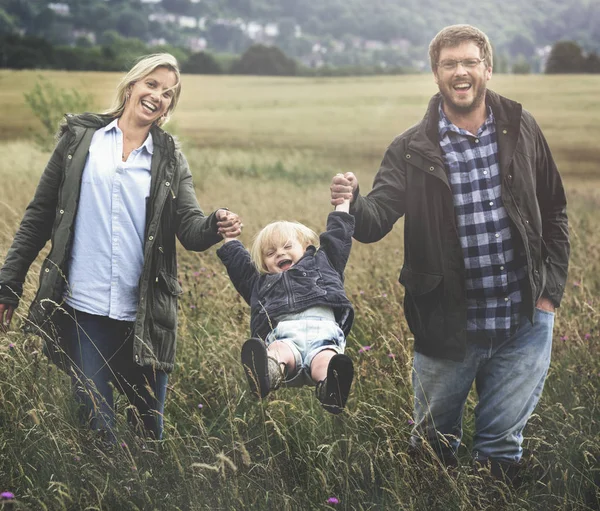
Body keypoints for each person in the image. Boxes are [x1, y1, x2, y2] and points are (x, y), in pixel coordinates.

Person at [330, 25, 569, 481]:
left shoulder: (520, 125)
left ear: (487, 68)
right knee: (431, 453)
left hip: (524, 323)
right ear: (435, 74)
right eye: (449, 64)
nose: (460, 72)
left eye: (469, 62)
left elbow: (555, 208)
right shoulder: (411, 147)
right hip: (445, 324)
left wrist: (549, 295)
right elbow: (374, 220)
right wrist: (354, 200)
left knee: (501, 453)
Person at [0, 53, 242, 441]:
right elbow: (39, 216)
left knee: (149, 433)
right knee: (99, 429)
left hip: (143, 316)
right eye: (151, 84)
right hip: (84, 310)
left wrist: (216, 223)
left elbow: (191, 231)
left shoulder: (170, 158)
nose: (157, 95)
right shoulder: (79, 141)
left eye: (168, 93)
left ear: (168, 108)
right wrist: (9, 283)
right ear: (131, 86)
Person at [216, 195, 355, 414]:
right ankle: (267, 374)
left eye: (287, 246)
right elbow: (239, 267)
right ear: (264, 263)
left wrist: (343, 202)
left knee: (325, 360)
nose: (279, 253)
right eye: (270, 253)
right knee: (278, 351)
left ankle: (331, 387)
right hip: (285, 337)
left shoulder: (324, 263)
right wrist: (229, 238)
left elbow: (339, 236)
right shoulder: (260, 284)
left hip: (323, 337)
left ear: (306, 246)